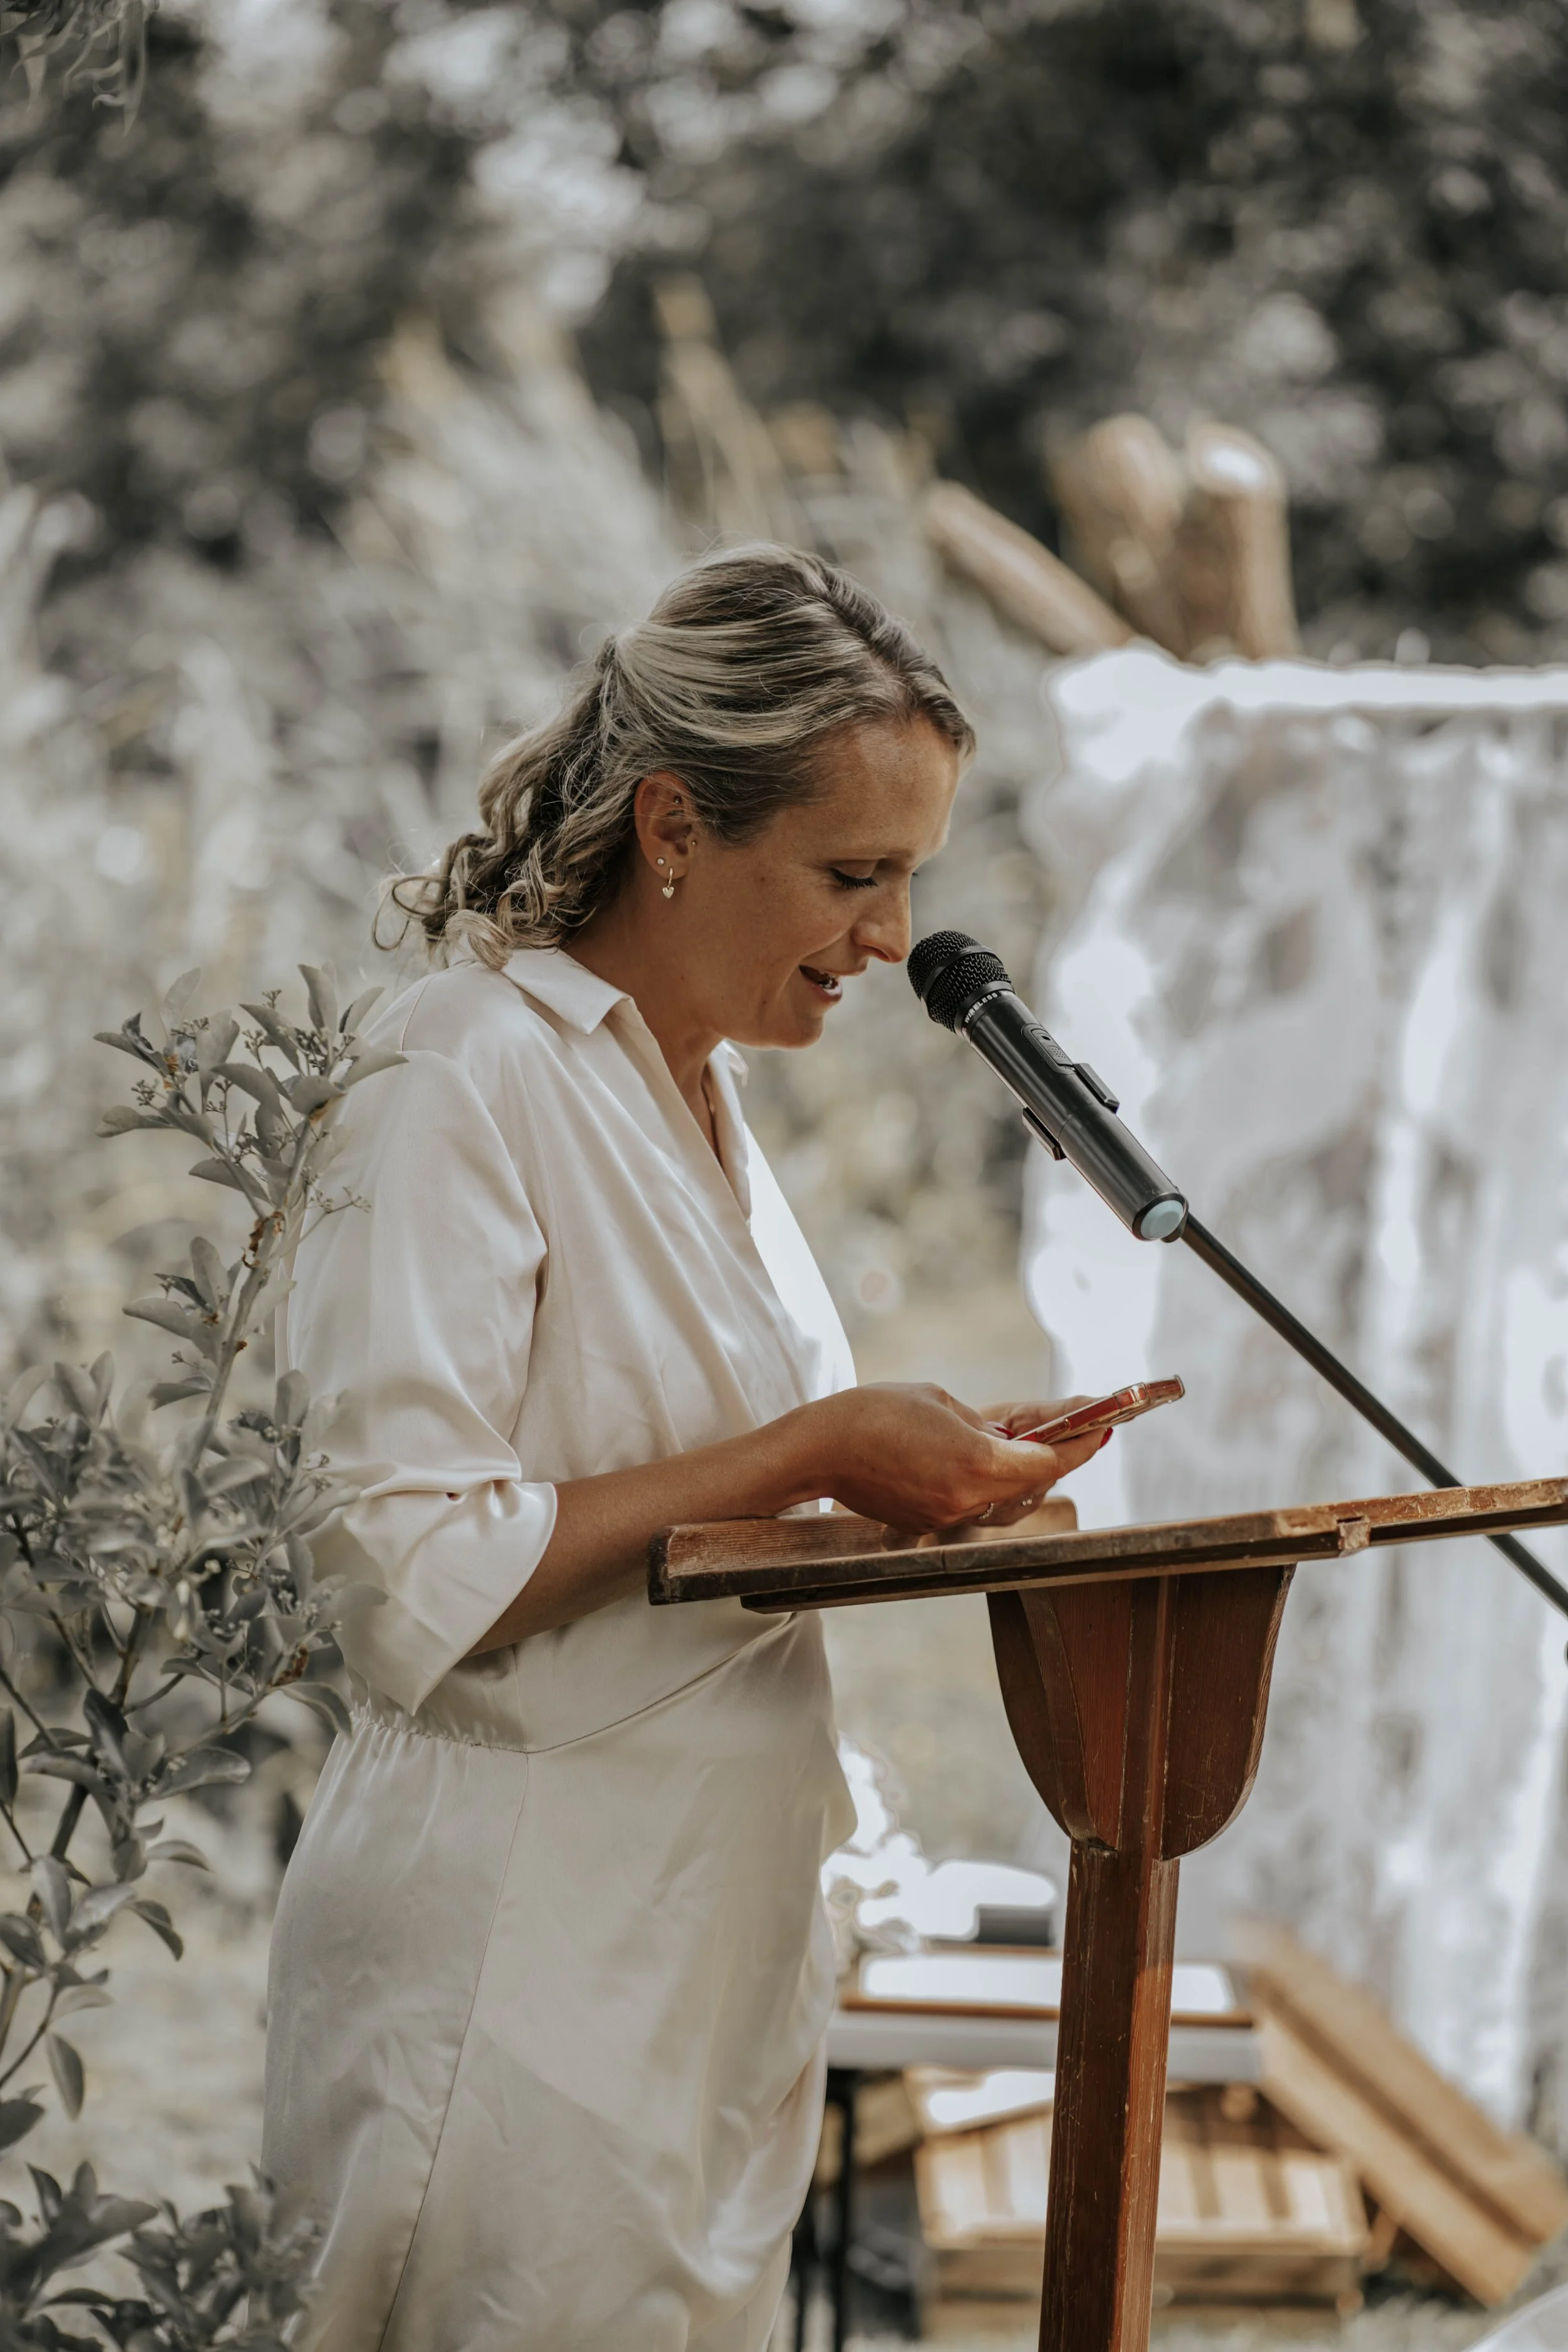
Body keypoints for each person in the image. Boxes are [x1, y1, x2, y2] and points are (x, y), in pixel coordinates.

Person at [262, 544, 1102, 2351]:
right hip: (520, 1948)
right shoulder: (462, 1066)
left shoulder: (697, 1089)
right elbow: (403, 1566)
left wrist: (909, 1474)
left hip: (713, 1933)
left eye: (911, 880)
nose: (895, 940)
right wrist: (815, 1444)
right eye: (852, 874)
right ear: (672, 824)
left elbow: (691, 1504)